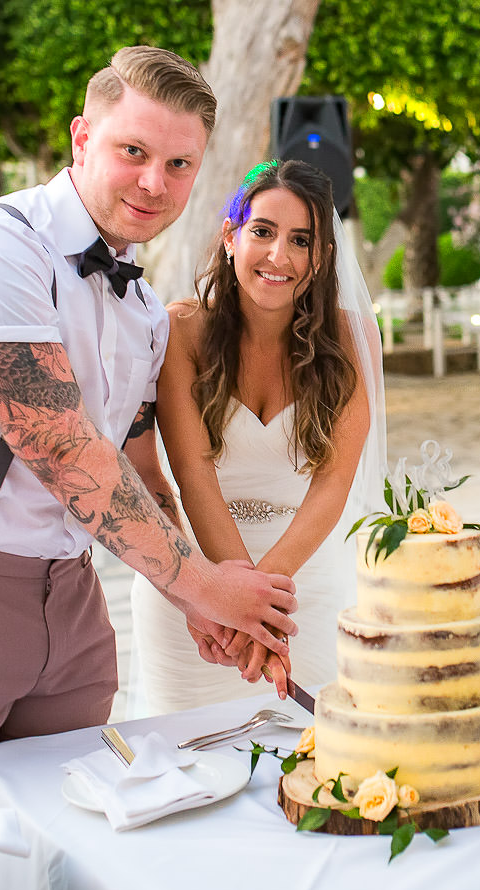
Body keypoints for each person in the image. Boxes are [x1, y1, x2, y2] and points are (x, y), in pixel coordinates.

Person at [0, 46, 298, 807]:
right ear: (83, 138)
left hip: (73, 611)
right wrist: (205, 584)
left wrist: (192, 600)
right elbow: (58, 444)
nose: (156, 182)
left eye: (180, 165)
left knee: (60, 852)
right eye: (134, 152)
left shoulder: (145, 311)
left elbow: (142, 471)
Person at [128, 159, 386, 717]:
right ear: (230, 236)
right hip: (197, 583)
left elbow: (334, 483)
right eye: (262, 232)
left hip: (303, 587)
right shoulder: (181, 331)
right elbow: (193, 478)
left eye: (301, 240)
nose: (278, 256)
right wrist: (231, 601)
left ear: (320, 258)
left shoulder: (354, 338)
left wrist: (262, 608)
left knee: (310, 759)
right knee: (186, 766)